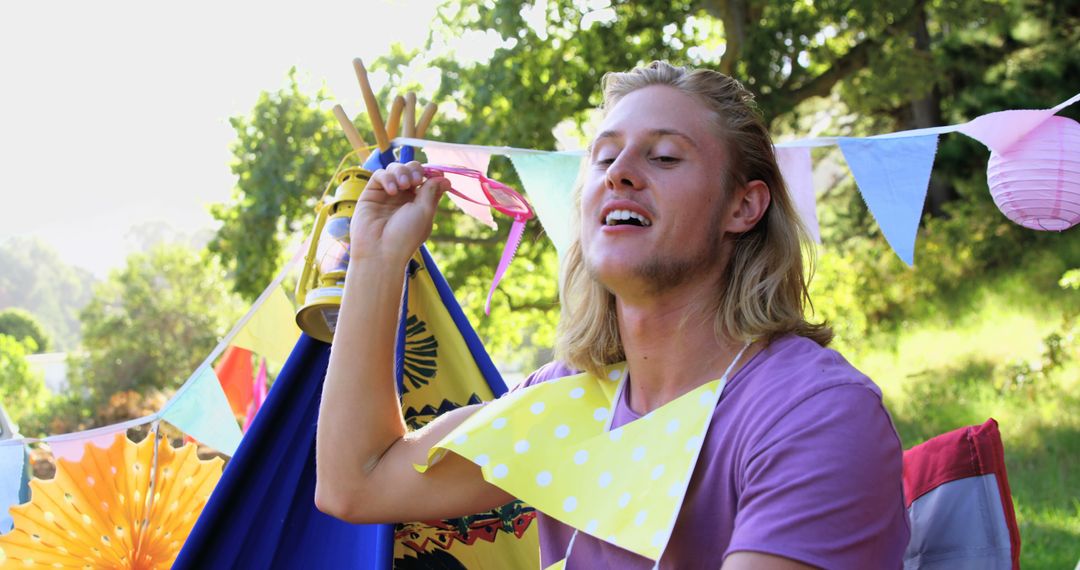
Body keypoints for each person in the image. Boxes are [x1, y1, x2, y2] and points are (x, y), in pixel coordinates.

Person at [315, 61, 909, 569]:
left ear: (743, 205)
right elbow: (356, 482)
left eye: (666, 157)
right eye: (603, 157)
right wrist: (378, 256)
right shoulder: (567, 399)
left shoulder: (816, 413)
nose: (620, 172)